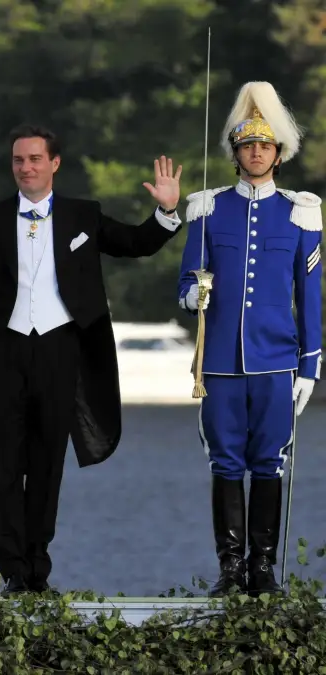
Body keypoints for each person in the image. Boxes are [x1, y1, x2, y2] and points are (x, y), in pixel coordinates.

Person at [0, 125, 183, 594]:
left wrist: (165, 211)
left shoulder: (83, 215)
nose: (26, 167)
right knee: (1, 464)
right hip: (5, 349)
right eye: (19, 160)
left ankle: (37, 573)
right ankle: (12, 574)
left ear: (54, 164)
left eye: (35, 159)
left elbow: (135, 243)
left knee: (46, 464)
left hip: (61, 349)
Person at [177, 82, 321, 597]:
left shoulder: (300, 212)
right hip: (217, 363)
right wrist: (193, 297)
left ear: (277, 154)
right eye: (247, 145)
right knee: (225, 462)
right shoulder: (208, 208)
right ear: (235, 153)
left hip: (276, 360)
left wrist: (309, 365)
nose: (256, 152)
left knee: (269, 462)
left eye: (264, 145)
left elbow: (311, 294)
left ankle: (263, 570)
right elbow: (184, 282)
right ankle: (231, 569)